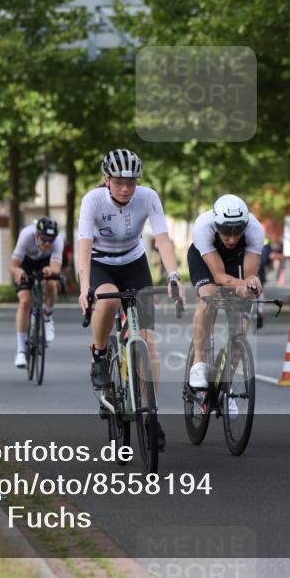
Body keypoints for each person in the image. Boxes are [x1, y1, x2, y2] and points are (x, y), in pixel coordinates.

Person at [77, 149, 184, 450]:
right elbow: (84, 245)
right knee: (108, 302)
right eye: (120, 182)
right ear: (107, 179)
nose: (126, 188)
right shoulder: (92, 201)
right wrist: (85, 285)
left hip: (134, 264)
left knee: (148, 342)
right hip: (101, 264)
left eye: (131, 182)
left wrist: (173, 275)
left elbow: (163, 238)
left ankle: (151, 414)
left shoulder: (148, 197)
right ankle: (99, 355)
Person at [187, 195, 264, 393]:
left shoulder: (255, 230)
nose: (232, 238)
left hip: (236, 261)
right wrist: (242, 283)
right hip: (206, 261)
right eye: (226, 232)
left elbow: (248, 277)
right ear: (216, 224)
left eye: (238, 232)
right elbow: (219, 276)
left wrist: (250, 285)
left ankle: (224, 387)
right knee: (209, 296)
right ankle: (198, 362)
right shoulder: (203, 226)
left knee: (242, 329)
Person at [9, 217, 64, 368]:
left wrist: (51, 270)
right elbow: (13, 265)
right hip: (26, 262)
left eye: (50, 241)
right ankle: (21, 350)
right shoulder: (26, 235)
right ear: (36, 236)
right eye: (44, 239)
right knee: (25, 301)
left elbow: (56, 267)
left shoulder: (58, 240)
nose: (47, 244)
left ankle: (47, 317)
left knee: (52, 283)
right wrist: (18, 271)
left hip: (46, 263)